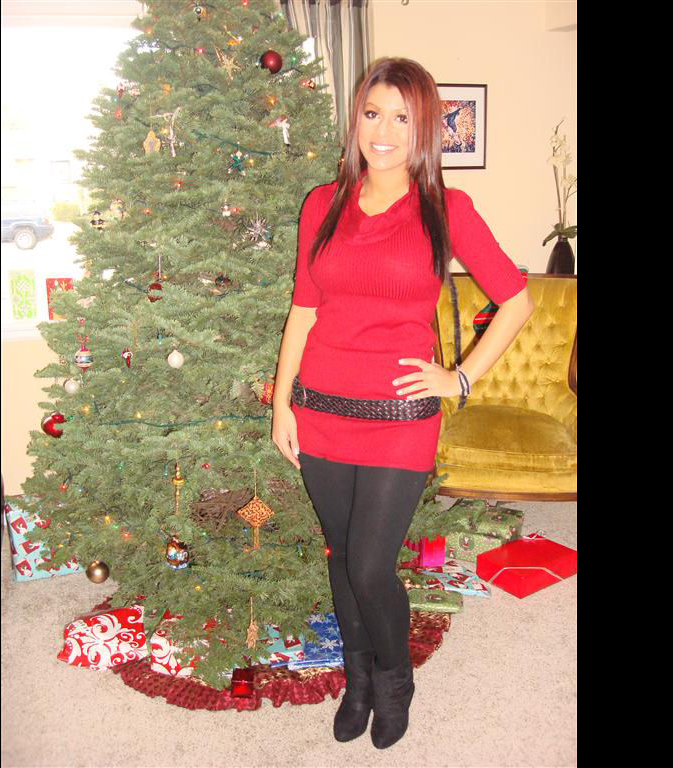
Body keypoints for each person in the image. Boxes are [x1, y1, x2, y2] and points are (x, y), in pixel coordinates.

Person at [271, 58, 534, 749]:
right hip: (321, 407)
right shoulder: (322, 204)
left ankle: (394, 679)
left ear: (423, 130)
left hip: (399, 417)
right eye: (372, 113)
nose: (383, 131)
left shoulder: (446, 209)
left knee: (369, 565)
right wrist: (282, 405)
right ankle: (356, 680)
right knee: (340, 554)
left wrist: (461, 378)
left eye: (401, 117)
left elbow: (516, 300)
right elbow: (303, 309)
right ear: (356, 118)